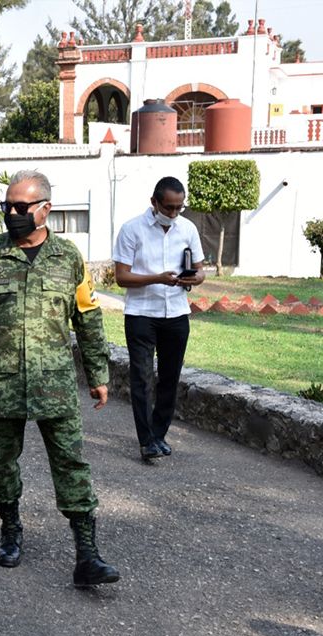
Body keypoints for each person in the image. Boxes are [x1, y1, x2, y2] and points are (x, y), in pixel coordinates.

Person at [0, 169, 120, 587]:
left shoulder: (68, 257)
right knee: (0, 463)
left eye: (21, 207)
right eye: (8, 206)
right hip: (1, 381)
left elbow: (87, 318)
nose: (12, 213)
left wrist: (98, 373)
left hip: (54, 382)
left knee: (72, 464)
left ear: (45, 210)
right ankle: (11, 529)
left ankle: (87, 553)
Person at [112, 176, 205, 461]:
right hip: (142, 313)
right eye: (168, 208)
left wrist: (192, 278)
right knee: (141, 378)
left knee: (170, 378)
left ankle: (159, 435)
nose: (174, 213)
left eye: (179, 207)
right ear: (154, 202)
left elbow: (201, 272)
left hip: (176, 313)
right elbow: (121, 277)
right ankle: (146, 441)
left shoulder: (187, 229)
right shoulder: (132, 230)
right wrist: (158, 279)